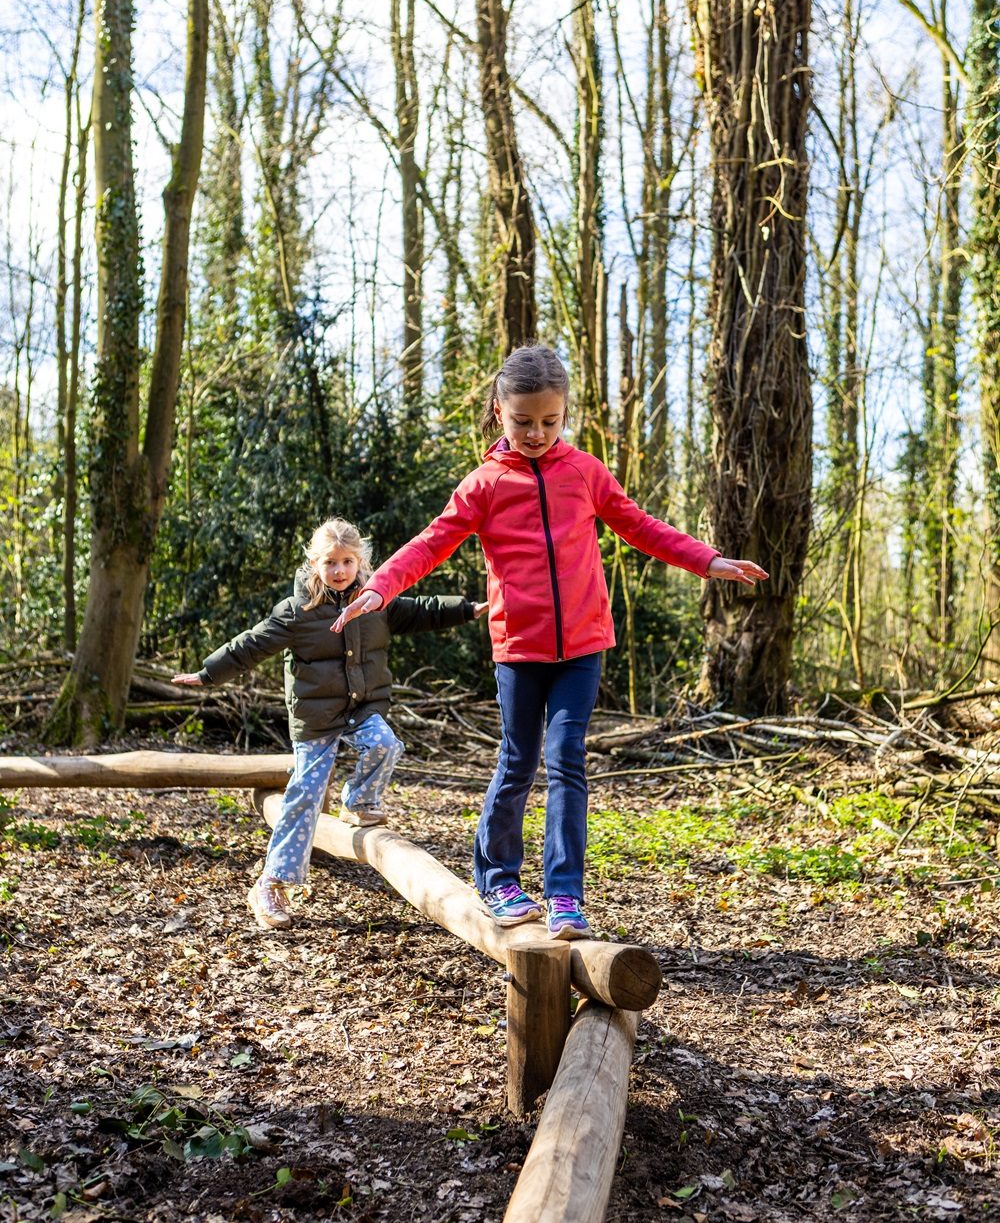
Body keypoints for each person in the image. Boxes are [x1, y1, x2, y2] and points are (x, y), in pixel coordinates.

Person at [334, 345, 767, 941]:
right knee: (518, 759)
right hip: (520, 647)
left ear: (565, 416)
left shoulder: (585, 473)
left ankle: (565, 896)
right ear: (498, 413)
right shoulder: (483, 485)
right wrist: (381, 587)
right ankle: (497, 880)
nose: (536, 433)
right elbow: (430, 543)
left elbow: (640, 526)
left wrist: (709, 561)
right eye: (523, 421)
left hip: (583, 645)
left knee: (567, 762)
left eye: (549, 421)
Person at [173, 517, 485, 931]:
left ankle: (358, 801)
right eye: (330, 563)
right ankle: (271, 883)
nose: (339, 571)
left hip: (361, 708)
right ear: (314, 564)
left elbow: (419, 610)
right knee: (304, 793)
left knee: (385, 744)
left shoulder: (377, 601)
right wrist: (208, 673)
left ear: (361, 562)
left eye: (347, 562)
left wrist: (466, 609)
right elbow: (250, 644)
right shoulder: (296, 612)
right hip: (316, 717)